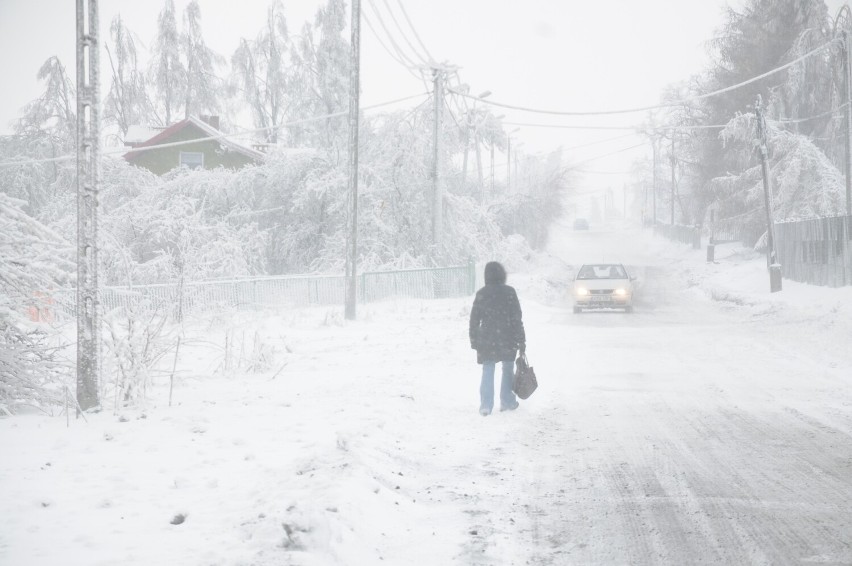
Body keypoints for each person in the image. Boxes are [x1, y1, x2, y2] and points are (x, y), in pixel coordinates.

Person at [469, 261, 526, 416]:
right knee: (508, 368)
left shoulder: (482, 293)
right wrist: (521, 339)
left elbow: (474, 319)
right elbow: (516, 318)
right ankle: (507, 401)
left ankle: (486, 405)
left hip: (487, 338)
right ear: (502, 275)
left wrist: (474, 339)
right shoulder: (510, 292)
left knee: (488, 368)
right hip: (507, 337)